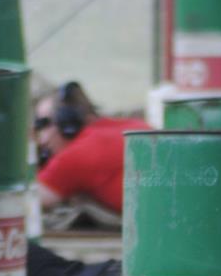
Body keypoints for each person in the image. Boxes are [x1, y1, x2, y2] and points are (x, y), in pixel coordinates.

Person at [32, 81, 150, 219]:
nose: (42, 139)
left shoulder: (77, 155)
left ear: (68, 124)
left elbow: (29, 200)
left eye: (45, 124)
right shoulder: (135, 125)